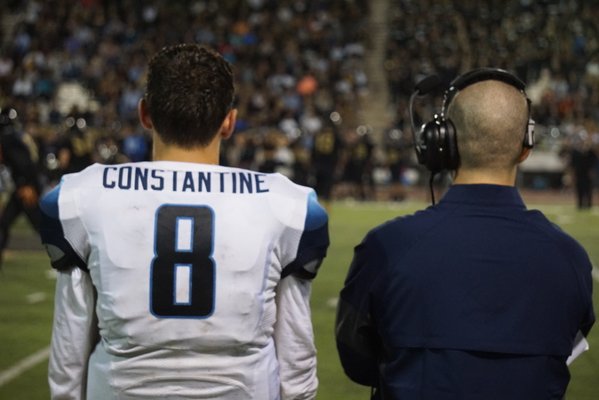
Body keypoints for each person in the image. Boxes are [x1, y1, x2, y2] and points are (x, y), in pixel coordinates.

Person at [40, 44, 329, 400]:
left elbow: (70, 348)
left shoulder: (84, 195)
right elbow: (295, 355)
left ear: (145, 114)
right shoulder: (287, 204)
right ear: (229, 122)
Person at [335, 68, 595, 399]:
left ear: (443, 144)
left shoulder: (386, 246)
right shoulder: (570, 257)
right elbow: (565, 351)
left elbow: (357, 362)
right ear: (526, 147)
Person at [0, 106, 42, 267]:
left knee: (40, 226)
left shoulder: (8, 138)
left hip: (25, 187)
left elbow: (24, 163)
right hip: (22, 187)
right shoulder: (18, 136)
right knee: (4, 223)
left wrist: (27, 184)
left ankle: (66, 254)